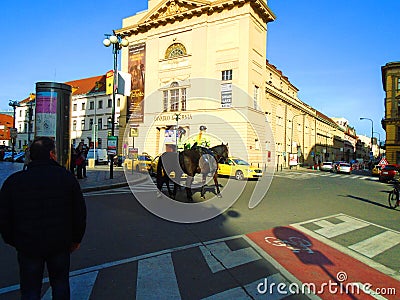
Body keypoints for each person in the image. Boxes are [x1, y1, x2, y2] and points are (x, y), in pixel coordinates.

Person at [0, 136, 87, 299]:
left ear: (31, 156)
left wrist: (14, 240)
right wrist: (76, 239)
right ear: (51, 155)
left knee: (30, 289)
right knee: (60, 284)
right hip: (60, 243)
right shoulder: (67, 178)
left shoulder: (14, 182)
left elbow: (4, 216)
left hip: (28, 245)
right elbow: (79, 212)